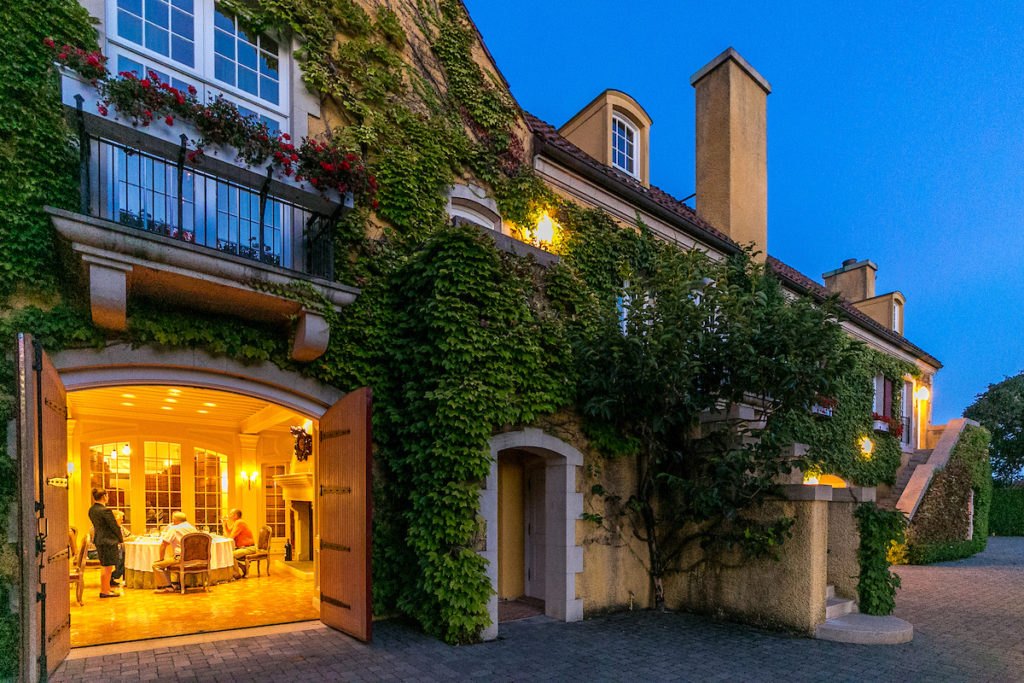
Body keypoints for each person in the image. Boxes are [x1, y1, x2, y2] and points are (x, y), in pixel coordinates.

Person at [87, 488, 123, 598]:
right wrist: (120, 539)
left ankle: (105, 589)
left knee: (104, 566)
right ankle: (105, 591)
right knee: (108, 567)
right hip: (108, 541)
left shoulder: (92, 510)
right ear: (104, 497)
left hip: (99, 539)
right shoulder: (105, 511)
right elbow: (114, 526)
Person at [152, 511, 198, 593]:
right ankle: (176, 583)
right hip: (194, 558)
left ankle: (167, 586)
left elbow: (163, 545)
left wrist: (161, 559)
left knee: (157, 565)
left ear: (175, 521)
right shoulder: (193, 528)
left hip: (180, 558)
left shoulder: (174, 529)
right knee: (167, 562)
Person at [222, 508, 256, 579]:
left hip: (249, 548)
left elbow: (231, 537)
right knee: (228, 554)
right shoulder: (236, 522)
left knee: (230, 554)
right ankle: (243, 568)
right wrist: (224, 524)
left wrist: (227, 533)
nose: (229, 515)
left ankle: (236, 574)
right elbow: (229, 534)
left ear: (235, 515)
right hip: (243, 547)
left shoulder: (239, 522)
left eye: (230, 514)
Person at [110, 510, 132, 587]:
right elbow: (118, 539)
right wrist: (129, 538)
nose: (122, 521)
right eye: (121, 519)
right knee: (122, 559)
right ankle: (112, 576)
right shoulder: (110, 528)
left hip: (120, 548)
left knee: (127, 557)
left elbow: (129, 534)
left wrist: (131, 537)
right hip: (112, 549)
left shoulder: (120, 527)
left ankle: (125, 579)